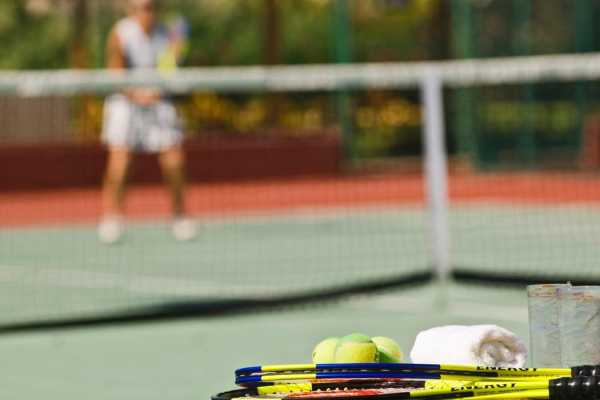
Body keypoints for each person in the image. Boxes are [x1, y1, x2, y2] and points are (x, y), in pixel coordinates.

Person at [98, 0, 196, 244]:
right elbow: (115, 73)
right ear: (131, 10)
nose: (145, 12)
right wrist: (137, 93)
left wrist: (156, 89)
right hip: (125, 102)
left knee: (174, 161)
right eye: (140, 7)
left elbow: (167, 69)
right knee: (119, 165)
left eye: (150, 7)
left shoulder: (167, 35)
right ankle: (113, 217)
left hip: (159, 102)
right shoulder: (120, 34)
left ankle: (179, 216)